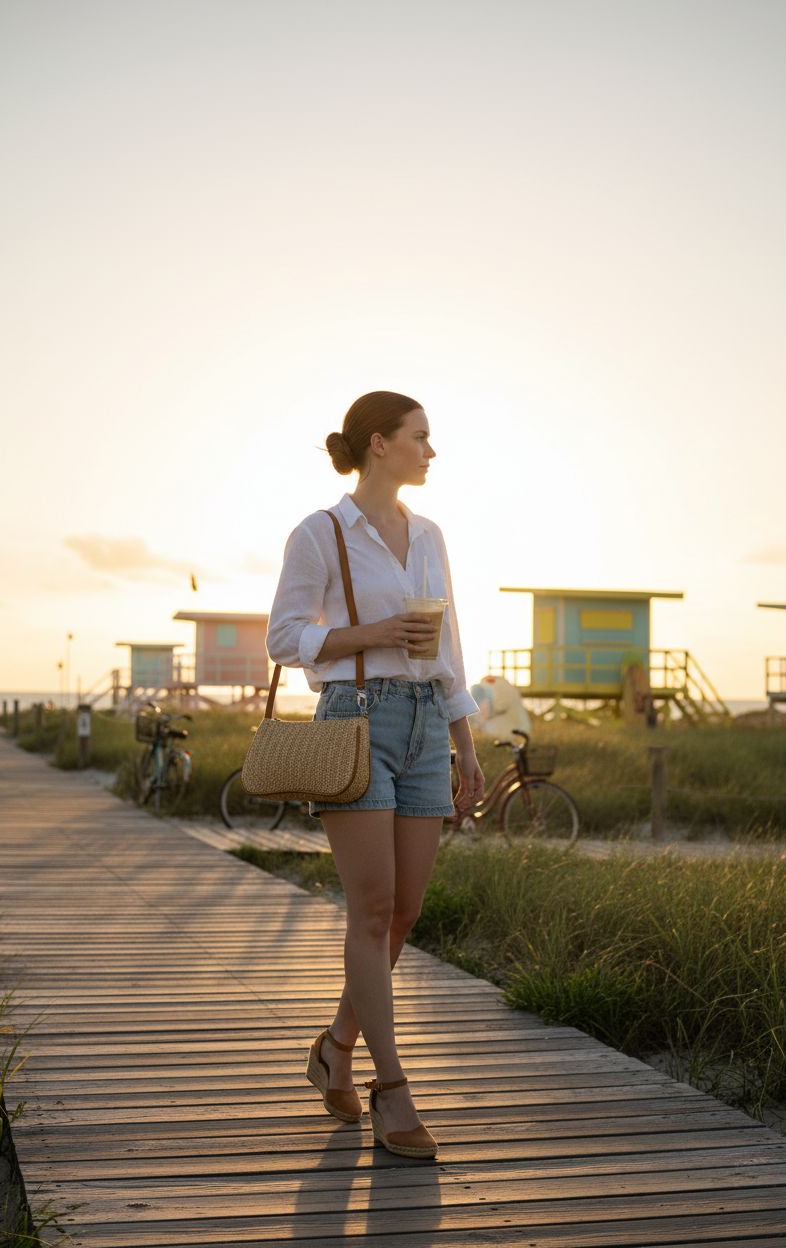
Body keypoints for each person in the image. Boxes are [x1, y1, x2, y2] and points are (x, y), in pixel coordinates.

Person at [266, 390, 485, 1159]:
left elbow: (447, 645)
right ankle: (392, 1087)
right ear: (379, 443)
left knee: (404, 914)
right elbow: (284, 636)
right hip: (355, 718)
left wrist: (466, 743)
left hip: (428, 723)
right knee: (373, 905)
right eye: (421, 437)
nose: (431, 450)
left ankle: (332, 1045)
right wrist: (371, 632)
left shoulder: (429, 535)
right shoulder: (321, 532)